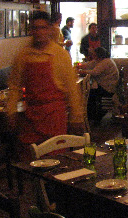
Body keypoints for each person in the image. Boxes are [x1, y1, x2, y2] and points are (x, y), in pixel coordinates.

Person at [7, 11, 84, 158]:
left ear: (49, 29)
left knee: (55, 160)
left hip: (54, 117)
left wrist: (76, 118)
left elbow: (72, 90)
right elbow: (15, 86)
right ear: (31, 30)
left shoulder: (59, 55)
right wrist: (11, 112)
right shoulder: (23, 55)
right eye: (35, 28)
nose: (39, 32)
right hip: (30, 117)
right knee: (30, 161)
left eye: (43, 28)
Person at [79, 47, 119, 126]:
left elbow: (95, 72)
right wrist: (79, 66)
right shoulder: (101, 61)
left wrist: (81, 71)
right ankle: (93, 117)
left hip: (107, 88)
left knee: (89, 95)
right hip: (105, 86)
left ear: (98, 55)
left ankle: (94, 117)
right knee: (90, 93)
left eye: (94, 54)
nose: (92, 56)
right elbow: (88, 65)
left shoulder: (105, 62)